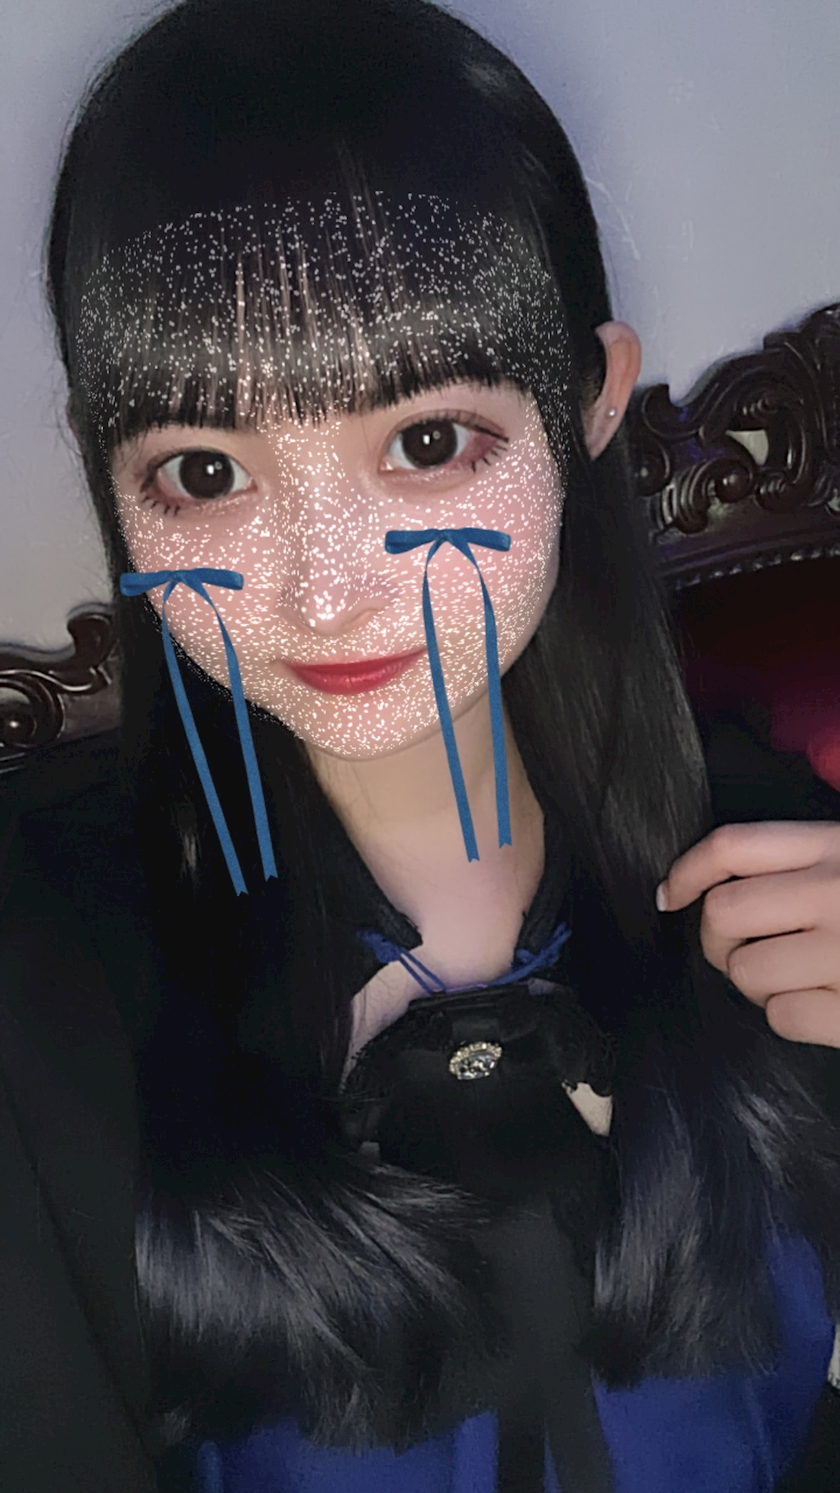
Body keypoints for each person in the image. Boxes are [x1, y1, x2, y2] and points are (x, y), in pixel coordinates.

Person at [2, 0, 839, 1489]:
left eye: (427, 442)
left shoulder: (776, 863)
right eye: (205, 471)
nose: (326, 589)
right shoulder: (49, 987)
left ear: (587, 401)